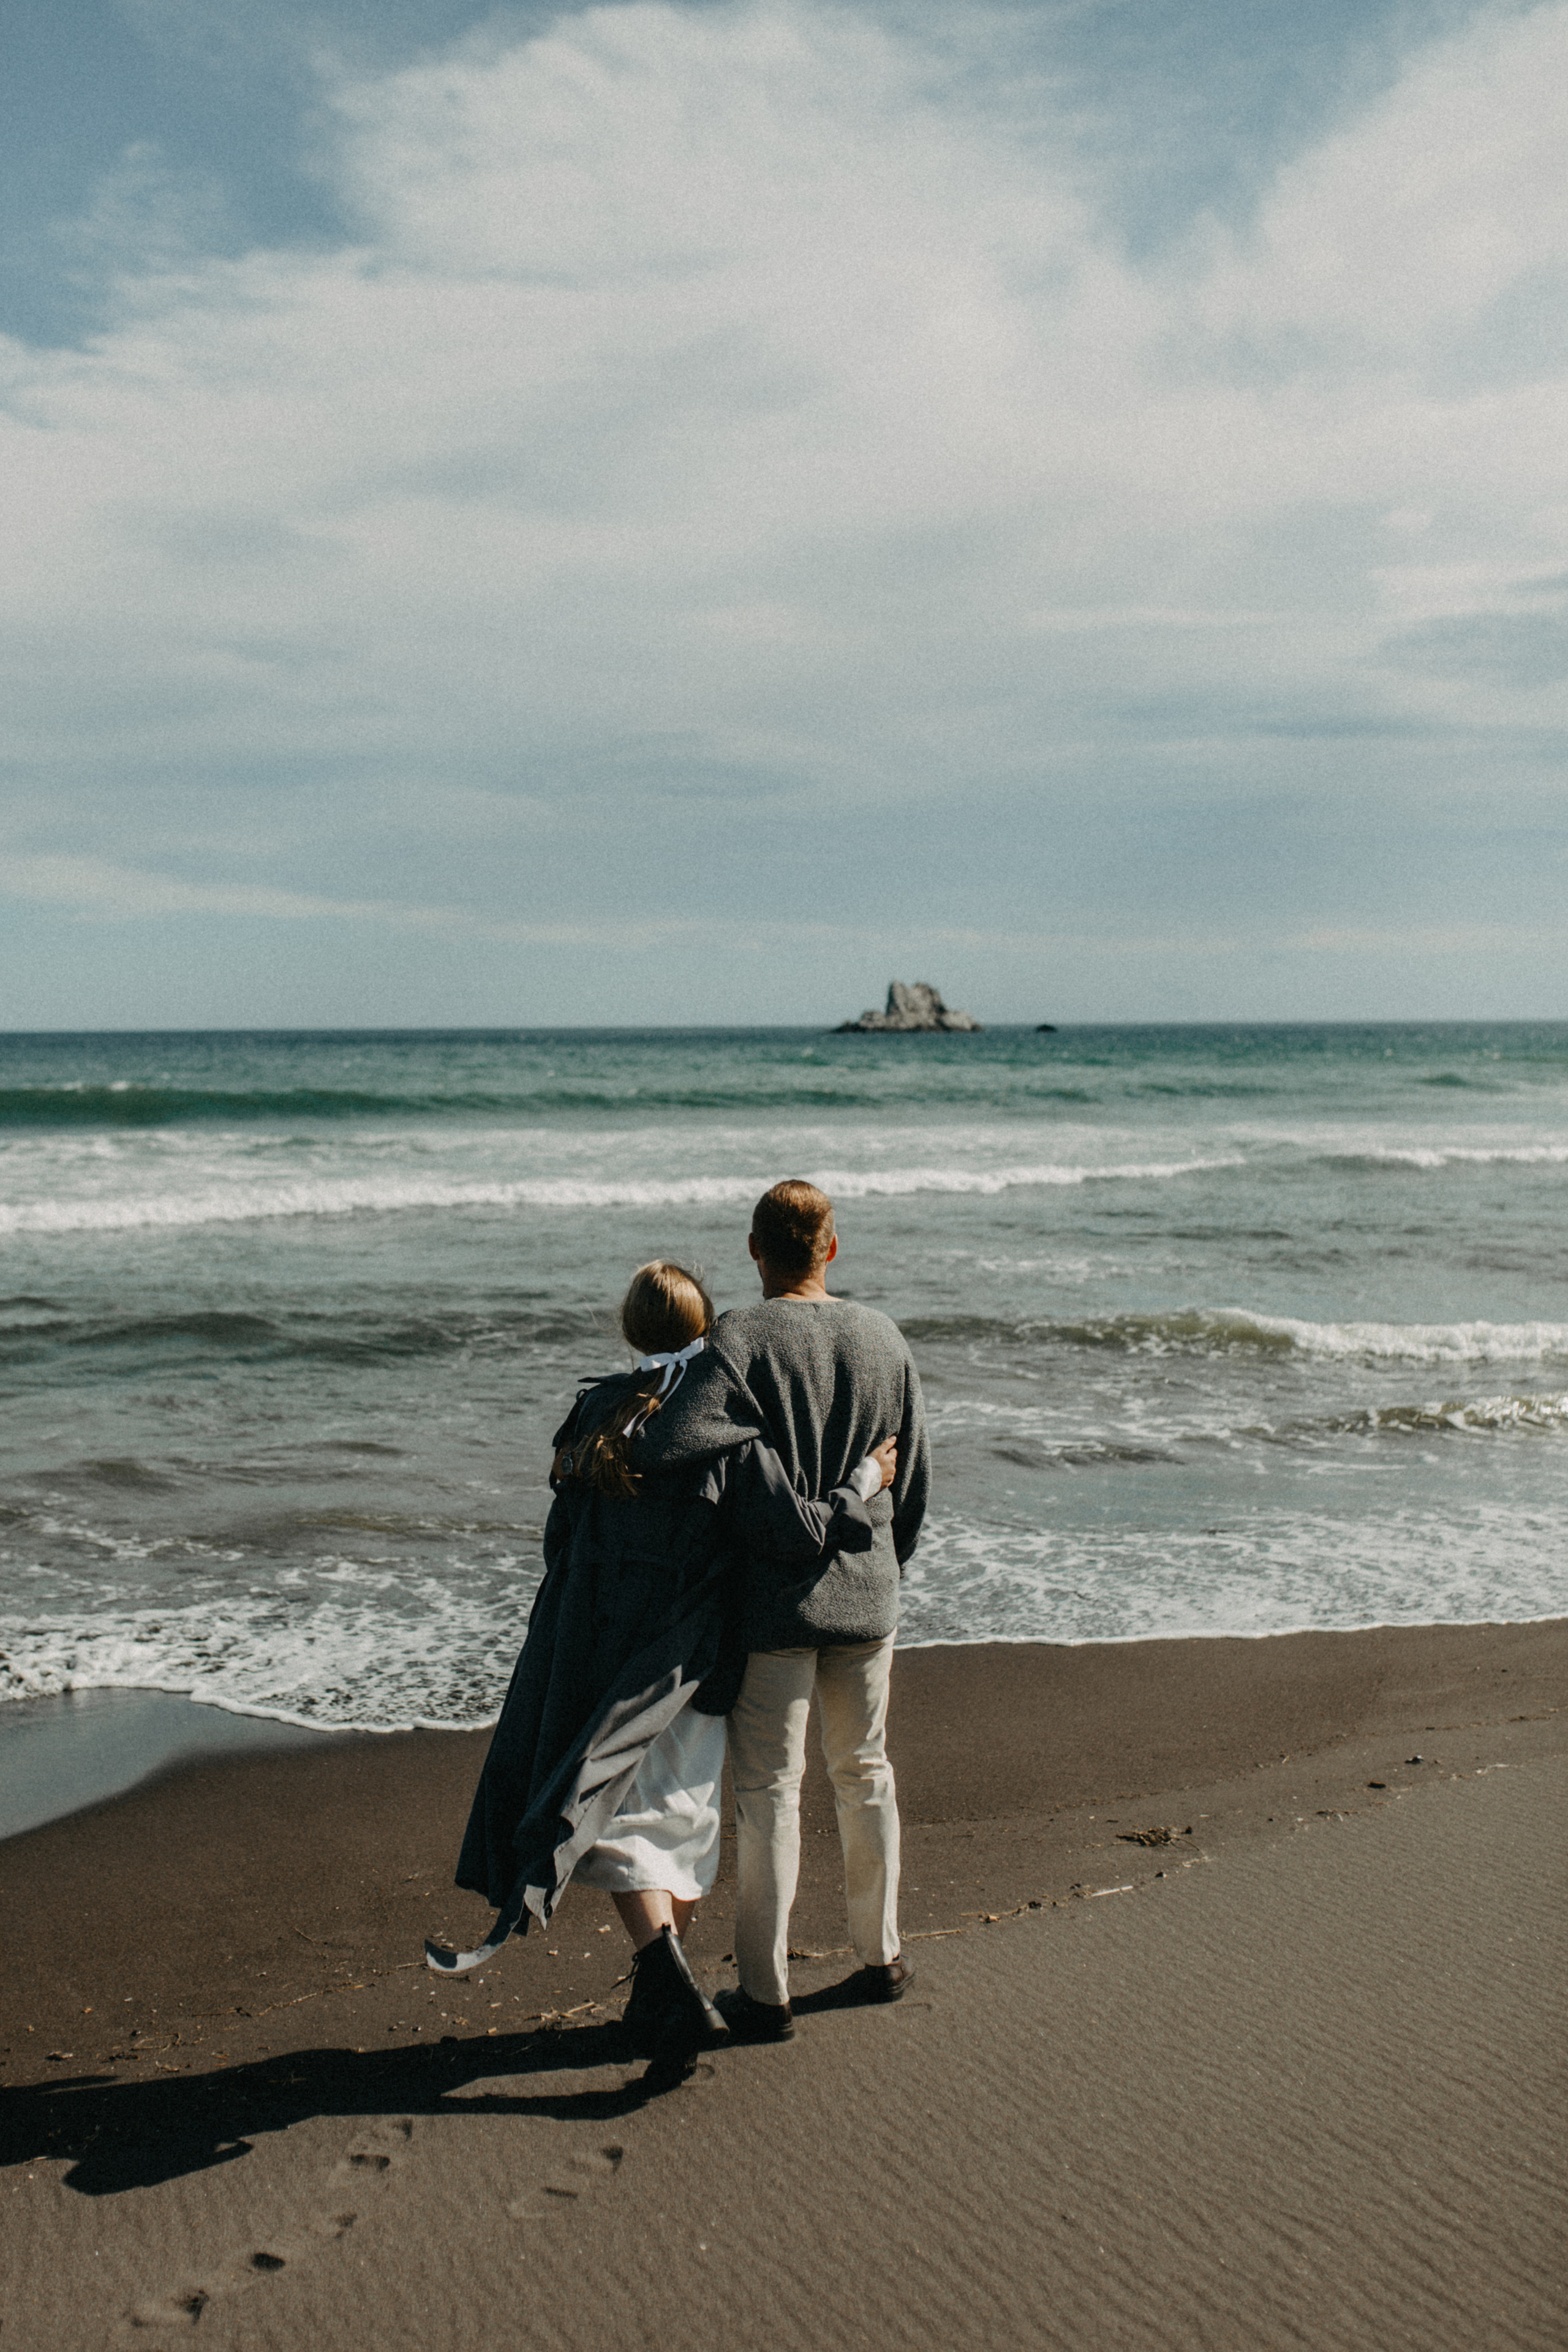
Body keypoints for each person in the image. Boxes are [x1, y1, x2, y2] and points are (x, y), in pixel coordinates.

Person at [426, 1258, 898, 2073]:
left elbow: (560, 1543)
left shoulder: (593, 1413)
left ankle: (665, 1986)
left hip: (589, 1645)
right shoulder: (722, 1427)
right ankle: (663, 1974)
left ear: (629, 1329)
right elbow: (797, 1533)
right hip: (681, 1658)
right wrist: (866, 1479)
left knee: (621, 1814)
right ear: (708, 1325)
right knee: (671, 1819)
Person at [636, 1182, 930, 2041]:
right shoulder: (883, 1336)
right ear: (832, 1250)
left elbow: (669, 1446)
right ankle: (881, 1957)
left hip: (772, 1603)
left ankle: (766, 1993)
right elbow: (909, 1484)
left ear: (756, 1251)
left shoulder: (740, 1337)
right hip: (868, 1592)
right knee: (866, 1770)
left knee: (771, 1792)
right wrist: (881, 1563)